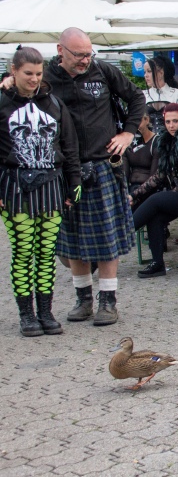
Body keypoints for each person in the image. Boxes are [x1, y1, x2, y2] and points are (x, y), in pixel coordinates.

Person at [44, 27, 145, 327]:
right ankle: (83, 299)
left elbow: (136, 97)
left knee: (106, 237)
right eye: (79, 55)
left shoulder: (103, 70)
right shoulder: (47, 79)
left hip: (103, 164)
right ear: (61, 50)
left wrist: (128, 132)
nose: (85, 60)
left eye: (89, 53)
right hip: (66, 167)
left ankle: (108, 302)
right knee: (73, 237)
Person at [0, 46, 81, 336]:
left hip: (52, 185)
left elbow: (70, 148)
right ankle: (26, 315)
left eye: (38, 73)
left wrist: (74, 185)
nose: (34, 79)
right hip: (14, 186)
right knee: (23, 251)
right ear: (14, 72)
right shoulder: (2, 103)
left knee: (46, 252)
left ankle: (46, 313)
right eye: (27, 73)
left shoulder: (54, 104)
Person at [130, 103, 178, 278]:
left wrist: (173, 192)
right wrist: (134, 195)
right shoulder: (168, 141)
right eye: (168, 121)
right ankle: (157, 264)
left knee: (156, 200)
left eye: (175, 121)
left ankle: (117, 240)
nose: (171, 125)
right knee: (155, 214)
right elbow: (159, 176)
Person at [143, 56, 178, 135]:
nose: (146, 75)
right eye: (144, 72)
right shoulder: (143, 94)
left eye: (149, 71)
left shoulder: (176, 93)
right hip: (147, 141)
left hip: (171, 140)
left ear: (161, 73)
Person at [123, 108, 156, 194]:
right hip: (131, 187)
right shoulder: (128, 141)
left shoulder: (156, 141)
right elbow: (125, 174)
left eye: (138, 121)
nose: (135, 125)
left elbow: (154, 176)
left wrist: (135, 196)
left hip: (149, 189)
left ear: (147, 120)